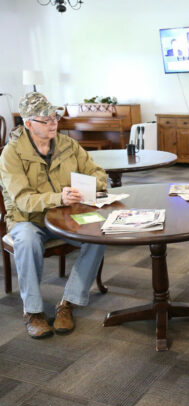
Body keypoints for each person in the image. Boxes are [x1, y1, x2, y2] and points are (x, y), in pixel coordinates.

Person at [0, 92, 108, 339]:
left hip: (66, 217)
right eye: (45, 119)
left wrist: (91, 186)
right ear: (28, 124)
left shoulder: (68, 144)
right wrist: (58, 197)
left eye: (54, 117)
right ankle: (33, 312)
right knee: (26, 240)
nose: (53, 123)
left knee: (99, 234)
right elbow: (23, 200)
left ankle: (68, 303)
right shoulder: (11, 154)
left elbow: (98, 172)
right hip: (28, 220)